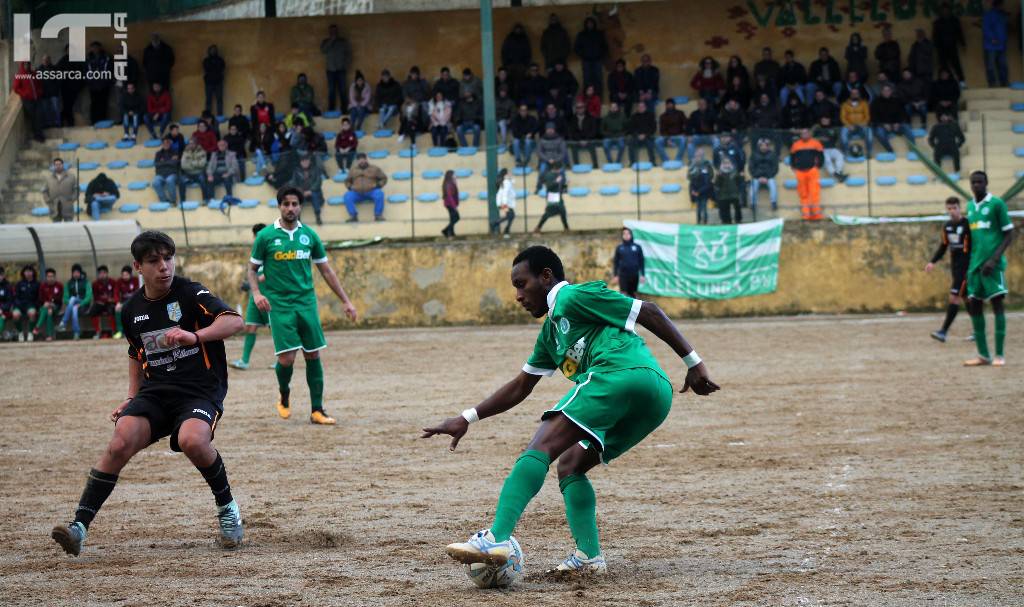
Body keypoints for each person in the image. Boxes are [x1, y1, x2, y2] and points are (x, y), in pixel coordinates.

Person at [423, 246, 718, 576]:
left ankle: (497, 538)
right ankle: (589, 556)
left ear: (546, 277)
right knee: (571, 464)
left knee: (542, 446)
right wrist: (467, 417)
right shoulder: (550, 333)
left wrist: (694, 363)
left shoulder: (570, 297)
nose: (518, 295)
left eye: (522, 284)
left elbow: (647, 310)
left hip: (620, 375)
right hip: (654, 397)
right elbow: (521, 386)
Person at [51, 231, 245, 557]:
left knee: (193, 441)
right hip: (155, 393)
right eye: (154, 261)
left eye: (168, 258)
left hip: (199, 391)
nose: (164, 267)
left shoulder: (190, 291)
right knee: (120, 440)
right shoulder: (131, 310)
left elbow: (234, 321)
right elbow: (135, 353)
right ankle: (79, 528)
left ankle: (228, 509)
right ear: (138, 266)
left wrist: (193, 337)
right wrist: (131, 395)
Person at [249, 188, 358, 424]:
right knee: (287, 359)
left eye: (295, 203)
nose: (290, 208)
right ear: (279, 206)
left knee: (312, 353)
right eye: (286, 204)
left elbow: (326, 271)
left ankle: (317, 410)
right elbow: (251, 269)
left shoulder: (310, 235)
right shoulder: (266, 236)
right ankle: (284, 393)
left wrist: (346, 301)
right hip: (279, 304)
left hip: (306, 303)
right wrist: (257, 293)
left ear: (300, 206)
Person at [963, 172, 1015, 366]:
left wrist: (994, 259)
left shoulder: (997, 204)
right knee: (974, 307)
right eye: (973, 182)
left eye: (980, 182)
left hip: (992, 266)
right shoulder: (969, 206)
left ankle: (999, 355)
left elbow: (1009, 234)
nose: (976, 185)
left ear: (986, 183)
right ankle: (983, 355)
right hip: (975, 266)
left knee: (997, 305)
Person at [926, 197, 971, 343]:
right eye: (949, 208)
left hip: (967, 267)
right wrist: (932, 261)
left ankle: (943, 331)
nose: (952, 211)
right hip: (956, 267)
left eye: (954, 208)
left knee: (954, 297)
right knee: (966, 298)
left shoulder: (968, 224)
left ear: (960, 208)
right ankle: (979, 330)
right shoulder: (947, 226)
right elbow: (943, 246)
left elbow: (975, 244)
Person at [232, 224, 271, 371]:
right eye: (256, 235)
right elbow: (253, 272)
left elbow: (271, 272)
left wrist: (252, 283)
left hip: (268, 296)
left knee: (275, 328)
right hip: (255, 297)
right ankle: (244, 360)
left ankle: (282, 360)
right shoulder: (255, 254)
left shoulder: (271, 251)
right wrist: (249, 284)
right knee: (250, 326)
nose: (258, 238)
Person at [790, 128, 824, 221]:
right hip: (800, 172)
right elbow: (792, 157)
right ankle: (806, 215)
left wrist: (818, 166)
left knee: (814, 193)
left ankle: (817, 215)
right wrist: (794, 167)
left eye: (806, 133)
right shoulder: (796, 145)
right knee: (803, 194)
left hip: (812, 171)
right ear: (800, 135)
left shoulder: (816, 143)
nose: (804, 135)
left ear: (810, 134)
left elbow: (821, 156)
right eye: (802, 133)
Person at [343, 153, 387, 222]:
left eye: (363, 159)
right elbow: (347, 181)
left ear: (366, 159)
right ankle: (353, 216)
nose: (362, 161)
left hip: (371, 191)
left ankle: (378, 215)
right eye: (359, 160)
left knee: (379, 193)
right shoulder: (353, 170)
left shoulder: (375, 168)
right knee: (348, 196)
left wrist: (378, 185)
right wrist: (350, 187)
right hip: (357, 193)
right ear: (357, 161)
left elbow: (383, 178)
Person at [933, 2, 966, 86]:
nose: (945, 11)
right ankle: (946, 84)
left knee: (956, 65)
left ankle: (962, 82)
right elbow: (935, 36)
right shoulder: (937, 22)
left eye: (946, 10)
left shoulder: (954, 20)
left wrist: (963, 44)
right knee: (943, 67)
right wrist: (935, 47)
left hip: (952, 47)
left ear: (949, 10)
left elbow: (959, 33)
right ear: (940, 11)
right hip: (941, 48)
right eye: (943, 10)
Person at [57, 263, 92, 340]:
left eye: (77, 272)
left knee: (72, 299)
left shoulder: (86, 282)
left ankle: (63, 322)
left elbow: (89, 297)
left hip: (83, 305)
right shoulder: (68, 283)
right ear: (72, 273)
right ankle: (76, 333)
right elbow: (65, 298)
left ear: (80, 273)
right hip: (73, 305)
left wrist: (81, 304)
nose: (76, 274)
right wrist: (71, 304)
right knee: (74, 308)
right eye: (74, 272)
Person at [321, 24, 352, 112]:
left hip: (341, 69)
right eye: (332, 30)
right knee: (331, 91)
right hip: (330, 70)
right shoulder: (325, 41)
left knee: (343, 90)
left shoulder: (342, 41)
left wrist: (346, 64)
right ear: (329, 31)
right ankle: (331, 109)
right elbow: (323, 50)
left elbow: (349, 53)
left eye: (335, 30)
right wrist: (331, 40)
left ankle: (344, 109)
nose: (333, 32)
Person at [575, 17, 608, 97]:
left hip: (597, 60)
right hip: (586, 61)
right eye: (588, 23)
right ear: (585, 24)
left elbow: (604, 46)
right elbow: (577, 48)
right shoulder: (582, 35)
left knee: (598, 80)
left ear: (594, 24)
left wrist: (600, 55)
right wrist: (583, 56)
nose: (590, 25)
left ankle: (599, 99)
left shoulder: (599, 34)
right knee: (587, 80)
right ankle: (587, 99)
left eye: (591, 23)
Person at [289, 155, 325, 225]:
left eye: (306, 161)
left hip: (313, 192)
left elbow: (318, 182)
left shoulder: (316, 169)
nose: (305, 163)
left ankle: (318, 217)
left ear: (309, 161)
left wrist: (311, 190)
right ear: (300, 162)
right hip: (301, 192)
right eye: (303, 161)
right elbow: (293, 183)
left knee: (314, 195)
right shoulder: (296, 171)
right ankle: (297, 219)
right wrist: (300, 191)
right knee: (296, 198)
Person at [534, 163, 569, 233]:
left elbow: (559, 187)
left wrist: (565, 185)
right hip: (552, 196)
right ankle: (538, 227)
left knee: (563, 212)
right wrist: (556, 181)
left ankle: (566, 228)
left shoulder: (558, 175)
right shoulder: (549, 175)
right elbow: (549, 186)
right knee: (549, 213)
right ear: (556, 169)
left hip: (558, 195)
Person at [748, 138, 779, 213]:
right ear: (759, 146)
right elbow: (751, 168)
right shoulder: (754, 154)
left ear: (768, 146)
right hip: (757, 177)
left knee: (773, 185)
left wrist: (767, 177)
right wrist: (758, 176)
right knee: (752, 187)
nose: (764, 147)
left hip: (769, 176)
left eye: (766, 145)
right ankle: (753, 204)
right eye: (762, 145)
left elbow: (775, 168)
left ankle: (773, 203)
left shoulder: (772, 154)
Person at [982, 0, 1009, 88]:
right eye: (1002, 5)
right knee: (991, 66)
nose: (1003, 7)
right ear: (997, 6)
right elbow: (986, 28)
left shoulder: (1002, 15)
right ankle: (992, 84)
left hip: (1001, 46)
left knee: (1003, 65)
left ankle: (1004, 83)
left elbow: (1004, 29)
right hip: (991, 46)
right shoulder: (988, 15)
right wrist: (992, 38)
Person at [612, 228, 645, 298]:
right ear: (622, 236)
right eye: (624, 234)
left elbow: (641, 261)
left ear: (631, 235)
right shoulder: (619, 247)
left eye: (628, 233)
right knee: (623, 294)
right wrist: (615, 275)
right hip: (623, 275)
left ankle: (634, 309)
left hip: (634, 275)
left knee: (634, 294)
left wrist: (642, 274)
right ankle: (623, 309)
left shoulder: (637, 247)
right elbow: (616, 262)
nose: (626, 235)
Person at [85, 43, 113, 124]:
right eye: (93, 48)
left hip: (104, 85)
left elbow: (110, 70)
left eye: (97, 47)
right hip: (93, 86)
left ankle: (103, 121)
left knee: (103, 103)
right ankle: (94, 121)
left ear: (100, 48)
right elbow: (85, 71)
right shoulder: (88, 58)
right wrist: (89, 82)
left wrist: (107, 81)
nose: (95, 49)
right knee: (94, 104)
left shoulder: (107, 57)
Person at [205, 140, 240, 205]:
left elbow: (235, 167)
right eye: (219, 145)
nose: (221, 147)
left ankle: (229, 199)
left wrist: (228, 173)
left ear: (226, 146)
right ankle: (211, 200)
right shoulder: (214, 155)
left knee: (227, 180)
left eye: (223, 145)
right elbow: (209, 167)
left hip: (228, 173)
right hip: (217, 174)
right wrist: (209, 175)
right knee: (209, 180)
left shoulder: (231, 154)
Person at [813, 116, 847, 183]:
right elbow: (811, 139)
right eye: (823, 120)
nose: (825, 121)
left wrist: (838, 148)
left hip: (832, 148)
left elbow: (837, 140)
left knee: (840, 155)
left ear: (829, 120)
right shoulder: (818, 129)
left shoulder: (833, 129)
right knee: (827, 160)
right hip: (822, 149)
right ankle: (835, 174)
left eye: (826, 119)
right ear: (821, 121)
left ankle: (838, 172)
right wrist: (820, 138)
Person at [43, 158, 78, 222]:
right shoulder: (49, 178)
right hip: (54, 207)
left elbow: (76, 189)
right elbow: (45, 191)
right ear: (54, 166)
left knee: (68, 227)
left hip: (67, 207)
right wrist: (48, 200)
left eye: (59, 164)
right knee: (56, 229)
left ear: (63, 165)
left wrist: (72, 199)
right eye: (56, 164)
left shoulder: (71, 177)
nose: (58, 166)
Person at [87, 265, 118, 339]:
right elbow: (96, 297)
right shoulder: (95, 284)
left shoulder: (113, 282)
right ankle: (98, 331)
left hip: (110, 303)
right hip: (100, 303)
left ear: (107, 273)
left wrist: (112, 300)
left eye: (104, 273)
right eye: (100, 273)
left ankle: (114, 331)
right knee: (93, 311)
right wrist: (105, 300)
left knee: (112, 310)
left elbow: (115, 294)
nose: (102, 275)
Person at [840, 89, 872, 157]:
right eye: (852, 93)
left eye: (856, 93)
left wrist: (864, 123)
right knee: (843, 134)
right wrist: (848, 125)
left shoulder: (864, 103)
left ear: (859, 94)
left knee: (869, 133)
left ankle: (869, 152)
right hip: (849, 126)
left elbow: (867, 116)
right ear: (850, 95)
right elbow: (843, 117)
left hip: (862, 125)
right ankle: (845, 153)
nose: (854, 95)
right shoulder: (845, 104)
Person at [567, 101, 600, 167]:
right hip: (577, 140)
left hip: (589, 139)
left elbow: (594, 131)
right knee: (573, 146)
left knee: (592, 144)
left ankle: (595, 166)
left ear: (584, 108)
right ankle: (576, 166)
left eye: (581, 107)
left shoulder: (591, 118)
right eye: (578, 107)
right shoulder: (572, 119)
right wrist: (579, 140)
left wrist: (586, 140)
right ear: (576, 109)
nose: (580, 109)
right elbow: (571, 132)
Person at [12, 267, 41, 342]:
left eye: (30, 271)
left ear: (33, 272)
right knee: (15, 315)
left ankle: (30, 333)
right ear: (23, 273)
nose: (28, 273)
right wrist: (17, 304)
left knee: (32, 313)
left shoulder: (37, 284)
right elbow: (15, 296)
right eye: (26, 271)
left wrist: (36, 306)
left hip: (31, 305)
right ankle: (20, 332)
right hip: (19, 305)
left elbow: (39, 297)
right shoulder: (19, 284)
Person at [536, 124, 568, 191]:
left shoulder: (560, 139)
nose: (550, 130)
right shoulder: (541, 140)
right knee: (542, 171)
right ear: (546, 130)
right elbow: (539, 152)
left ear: (554, 129)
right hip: (545, 160)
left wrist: (555, 160)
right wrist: (547, 159)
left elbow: (563, 152)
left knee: (561, 172)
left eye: (551, 129)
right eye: (548, 129)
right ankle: (539, 187)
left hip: (557, 161)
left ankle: (563, 186)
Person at [35, 268, 63, 341]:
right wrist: (45, 303)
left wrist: (51, 303)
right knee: (48, 311)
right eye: (48, 276)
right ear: (46, 277)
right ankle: (49, 335)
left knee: (49, 310)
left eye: (52, 276)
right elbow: (40, 299)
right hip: (44, 306)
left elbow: (59, 299)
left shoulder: (59, 285)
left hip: (55, 306)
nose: (50, 278)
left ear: (55, 277)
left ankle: (37, 326)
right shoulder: (43, 286)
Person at [113, 265, 140, 339]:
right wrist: (117, 302)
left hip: (135, 302)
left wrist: (125, 304)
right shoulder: (119, 281)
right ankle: (120, 331)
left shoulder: (136, 280)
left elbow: (138, 293)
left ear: (130, 274)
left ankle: (135, 331)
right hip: (123, 303)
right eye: (123, 275)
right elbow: (116, 293)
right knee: (117, 309)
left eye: (126, 275)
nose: (124, 277)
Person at [655, 98, 687, 163]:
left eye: (671, 104)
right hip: (667, 137)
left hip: (678, 136)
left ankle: (678, 160)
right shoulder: (662, 116)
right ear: (666, 106)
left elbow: (686, 124)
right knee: (657, 141)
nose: (669, 106)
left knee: (683, 140)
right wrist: (667, 138)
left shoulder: (680, 113)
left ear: (674, 105)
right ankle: (666, 160)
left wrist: (684, 133)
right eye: (668, 104)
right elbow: (662, 130)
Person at [713, 157, 743, 224]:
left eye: (728, 163)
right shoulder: (719, 173)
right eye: (725, 163)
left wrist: (741, 177)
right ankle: (726, 222)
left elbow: (739, 182)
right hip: (723, 195)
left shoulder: (735, 171)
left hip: (734, 193)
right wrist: (718, 177)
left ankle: (738, 220)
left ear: (731, 163)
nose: (727, 165)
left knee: (738, 208)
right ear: (722, 164)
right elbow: (717, 185)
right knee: (725, 210)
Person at [626, 101, 657, 166]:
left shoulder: (651, 115)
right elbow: (630, 129)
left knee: (650, 144)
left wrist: (645, 135)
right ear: (637, 108)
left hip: (648, 136)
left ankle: (653, 162)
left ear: (645, 107)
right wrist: (637, 135)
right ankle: (632, 163)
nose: (641, 108)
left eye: (642, 107)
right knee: (630, 143)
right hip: (636, 137)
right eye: (639, 107)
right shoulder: (633, 116)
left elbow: (653, 128)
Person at [688, 150, 714, 224]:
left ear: (703, 156)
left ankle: (705, 222)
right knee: (698, 209)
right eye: (696, 156)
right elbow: (689, 178)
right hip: (695, 191)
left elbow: (710, 178)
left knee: (704, 208)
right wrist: (693, 191)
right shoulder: (692, 165)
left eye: (699, 156)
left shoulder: (707, 165)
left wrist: (699, 191)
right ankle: (698, 222)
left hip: (704, 191)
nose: (697, 158)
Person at [152, 137, 180, 205]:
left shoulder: (175, 152)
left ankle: (173, 201)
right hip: (160, 174)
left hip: (172, 174)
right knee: (155, 183)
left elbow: (174, 163)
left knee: (169, 180)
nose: (165, 144)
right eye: (163, 143)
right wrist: (169, 161)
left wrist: (163, 162)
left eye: (167, 143)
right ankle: (164, 201)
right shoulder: (158, 153)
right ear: (161, 144)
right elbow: (156, 164)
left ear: (170, 144)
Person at [491, 168, 517, 237]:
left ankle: (504, 230)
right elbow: (504, 193)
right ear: (505, 174)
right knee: (511, 216)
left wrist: (511, 178)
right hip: (505, 203)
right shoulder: (506, 182)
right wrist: (505, 204)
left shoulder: (507, 181)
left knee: (511, 216)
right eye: (509, 173)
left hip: (505, 203)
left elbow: (513, 181)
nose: (510, 174)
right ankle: (499, 226)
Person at [202, 45, 226, 116]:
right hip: (209, 83)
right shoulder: (206, 60)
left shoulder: (220, 60)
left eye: (215, 50)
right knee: (208, 100)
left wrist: (214, 67)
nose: (213, 51)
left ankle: (220, 115)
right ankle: (207, 116)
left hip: (218, 82)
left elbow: (222, 68)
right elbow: (207, 68)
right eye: (212, 50)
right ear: (209, 51)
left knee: (219, 100)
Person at [441, 170, 461, 239]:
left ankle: (451, 233)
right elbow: (450, 196)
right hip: (450, 204)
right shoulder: (449, 184)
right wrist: (454, 206)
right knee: (456, 218)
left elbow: (455, 194)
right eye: (454, 174)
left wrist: (455, 182)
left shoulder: (452, 183)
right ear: (450, 175)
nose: (455, 176)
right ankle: (445, 230)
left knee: (452, 219)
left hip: (450, 204)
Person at [0, 267, 11, 341]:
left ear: (3, 276)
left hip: (4, 310)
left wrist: (1, 309)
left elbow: (9, 301)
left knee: (2, 317)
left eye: (0, 275)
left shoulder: (7, 286)